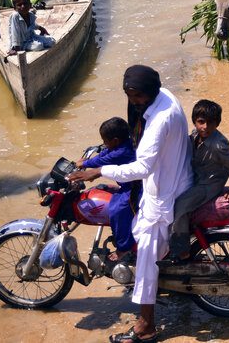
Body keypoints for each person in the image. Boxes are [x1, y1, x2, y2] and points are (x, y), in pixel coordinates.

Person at [67, 65, 192, 343]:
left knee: (146, 254)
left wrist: (98, 171)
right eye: (128, 94)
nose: (132, 100)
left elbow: (143, 167)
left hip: (164, 192)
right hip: (175, 176)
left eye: (135, 95)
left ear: (148, 91)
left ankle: (146, 326)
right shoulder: (165, 96)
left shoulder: (159, 119)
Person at [166, 99, 229, 261]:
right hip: (197, 177)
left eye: (210, 123)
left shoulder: (218, 145)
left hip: (209, 184)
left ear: (217, 124)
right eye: (201, 122)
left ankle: (181, 250)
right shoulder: (194, 136)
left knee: (180, 206)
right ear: (194, 121)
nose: (205, 127)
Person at [78, 118, 137, 261]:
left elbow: (102, 161)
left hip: (135, 187)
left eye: (105, 141)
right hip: (129, 184)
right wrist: (85, 162)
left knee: (117, 209)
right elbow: (105, 154)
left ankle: (124, 248)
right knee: (105, 189)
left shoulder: (122, 151)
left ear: (115, 140)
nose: (104, 144)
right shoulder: (124, 144)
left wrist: (84, 164)